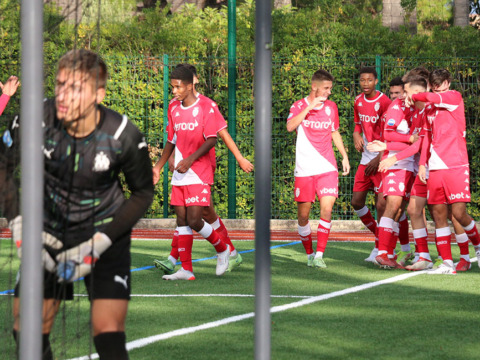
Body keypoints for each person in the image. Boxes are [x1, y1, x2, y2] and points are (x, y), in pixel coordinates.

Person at [9, 49, 154, 360]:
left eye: (75, 88)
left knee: (108, 332)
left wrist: (101, 243)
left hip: (104, 233)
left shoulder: (123, 135)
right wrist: (18, 221)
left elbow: (142, 193)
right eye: (60, 84)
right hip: (47, 231)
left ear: (98, 94)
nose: (63, 95)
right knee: (26, 331)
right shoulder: (34, 120)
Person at [153, 63, 252, 275]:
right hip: (180, 170)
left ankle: (225, 250)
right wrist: (163, 163)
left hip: (200, 169)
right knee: (188, 217)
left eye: (178, 86)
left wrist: (240, 157)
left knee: (197, 217)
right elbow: (172, 138)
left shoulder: (207, 106)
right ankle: (183, 265)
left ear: (192, 83)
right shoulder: (174, 107)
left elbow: (219, 135)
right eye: (173, 86)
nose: (174, 90)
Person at [411, 69, 480, 274]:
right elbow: (426, 139)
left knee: (458, 213)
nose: (438, 87)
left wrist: (412, 95)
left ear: (448, 83)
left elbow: (429, 96)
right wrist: (423, 164)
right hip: (436, 167)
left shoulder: (453, 97)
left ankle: (477, 246)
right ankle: (448, 262)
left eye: (441, 83)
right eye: (435, 84)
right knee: (438, 215)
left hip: (456, 165)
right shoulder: (429, 110)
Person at [286, 69, 350, 268]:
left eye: (330, 88)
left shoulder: (331, 107)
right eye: (326, 88)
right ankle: (309, 253)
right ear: (314, 87)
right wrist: (309, 108)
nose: (329, 92)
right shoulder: (298, 105)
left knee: (327, 210)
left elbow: (335, 132)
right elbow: (289, 127)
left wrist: (344, 156)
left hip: (327, 167)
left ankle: (320, 255)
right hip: (304, 169)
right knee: (303, 216)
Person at [350, 67, 391, 263]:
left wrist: (380, 157)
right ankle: (380, 235)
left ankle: (380, 248)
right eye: (362, 80)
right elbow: (358, 124)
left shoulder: (385, 102)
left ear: (376, 81)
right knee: (357, 202)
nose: (365, 83)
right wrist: (356, 135)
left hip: (382, 161)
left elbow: (390, 133)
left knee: (381, 205)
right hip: (365, 160)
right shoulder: (358, 100)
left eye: (369, 80)